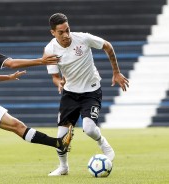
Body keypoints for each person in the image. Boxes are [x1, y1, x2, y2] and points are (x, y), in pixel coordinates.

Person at [0, 19, 73, 177]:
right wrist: (41, 61)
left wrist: (8, 77)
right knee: (18, 126)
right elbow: (11, 63)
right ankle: (58, 143)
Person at [43, 13, 129, 176]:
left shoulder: (83, 38)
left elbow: (107, 46)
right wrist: (59, 83)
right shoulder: (49, 50)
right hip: (69, 94)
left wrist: (116, 72)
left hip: (91, 91)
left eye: (67, 30)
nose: (66, 35)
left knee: (89, 128)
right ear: (53, 32)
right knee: (61, 138)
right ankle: (63, 167)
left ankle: (103, 143)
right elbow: (55, 77)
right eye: (61, 32)